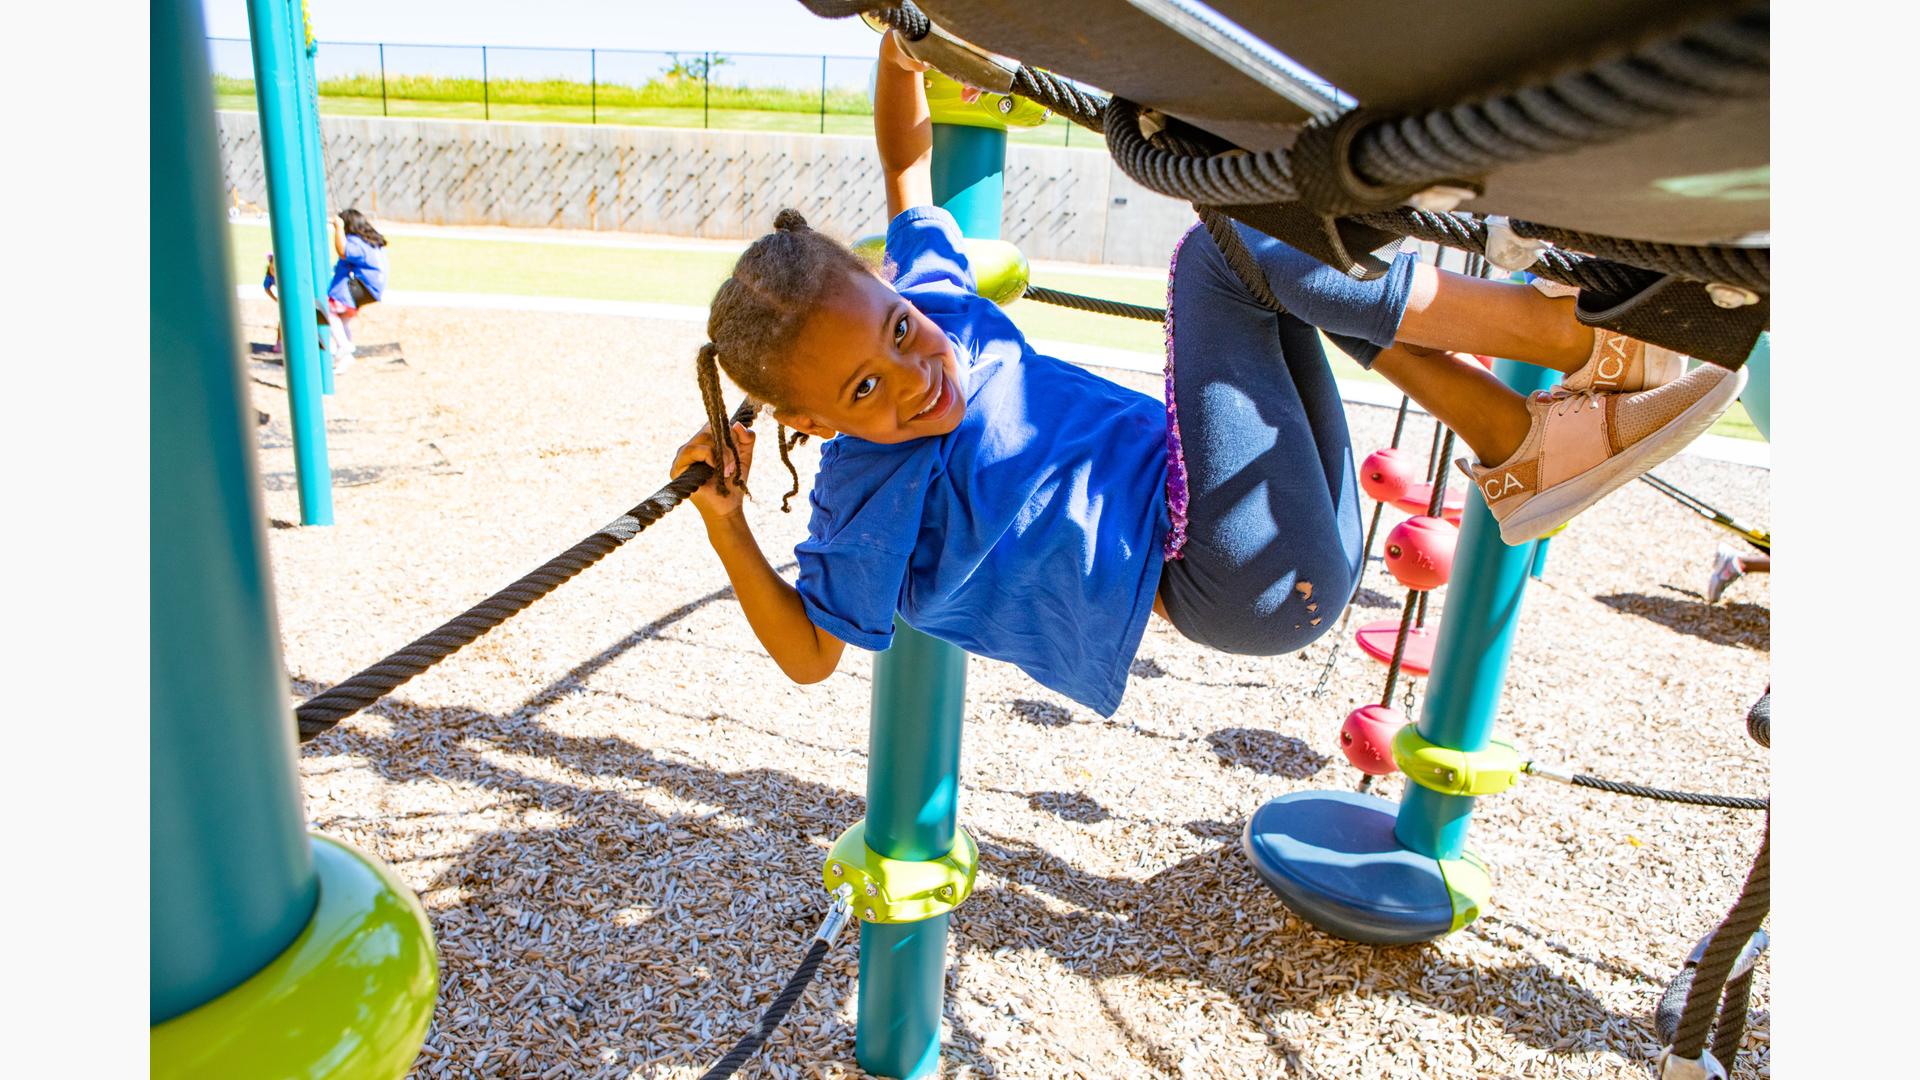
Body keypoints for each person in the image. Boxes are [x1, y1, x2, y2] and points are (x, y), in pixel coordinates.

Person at [669, 31, 1748, 717]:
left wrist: (902, 46)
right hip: (1229, 580)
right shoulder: (866, 495)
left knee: (1280, 251)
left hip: (1292, 520)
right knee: (1224, 248)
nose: (910, 376)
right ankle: (1581, 337)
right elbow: (812, 654)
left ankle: (1517, 440)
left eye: (896, 334)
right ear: (806, 421)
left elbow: (906, 175)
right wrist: (727, 522)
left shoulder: (941, 306)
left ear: (898, 299)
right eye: (862, 392)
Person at [325, 208, 389, 359]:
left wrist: (338, 228)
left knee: (327, 309)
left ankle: (344, 346)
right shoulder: (371, 242)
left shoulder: (357, 243)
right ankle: (346, 357)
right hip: (372, 290)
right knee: (342, 319)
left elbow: (343, 251)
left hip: (363, 287)